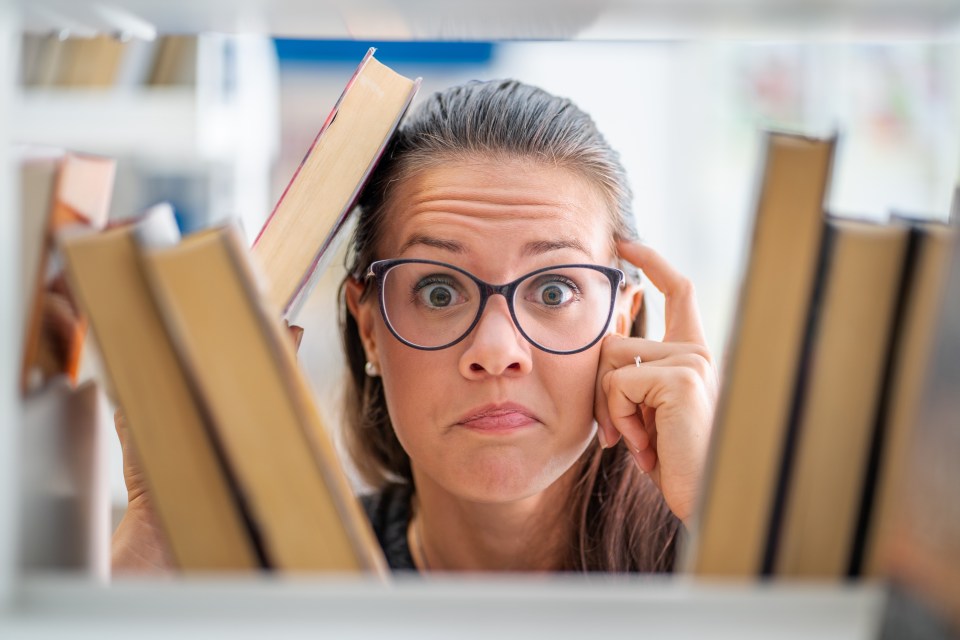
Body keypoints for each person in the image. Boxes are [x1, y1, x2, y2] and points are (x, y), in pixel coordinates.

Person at [111, 78, 718, 574]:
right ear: (368, 326)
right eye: (438, 290)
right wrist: (159, 535)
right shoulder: (290, 581)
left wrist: (723, 512)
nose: (496, 351)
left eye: (553, 290)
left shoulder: (719, 556)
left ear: (625, 317)